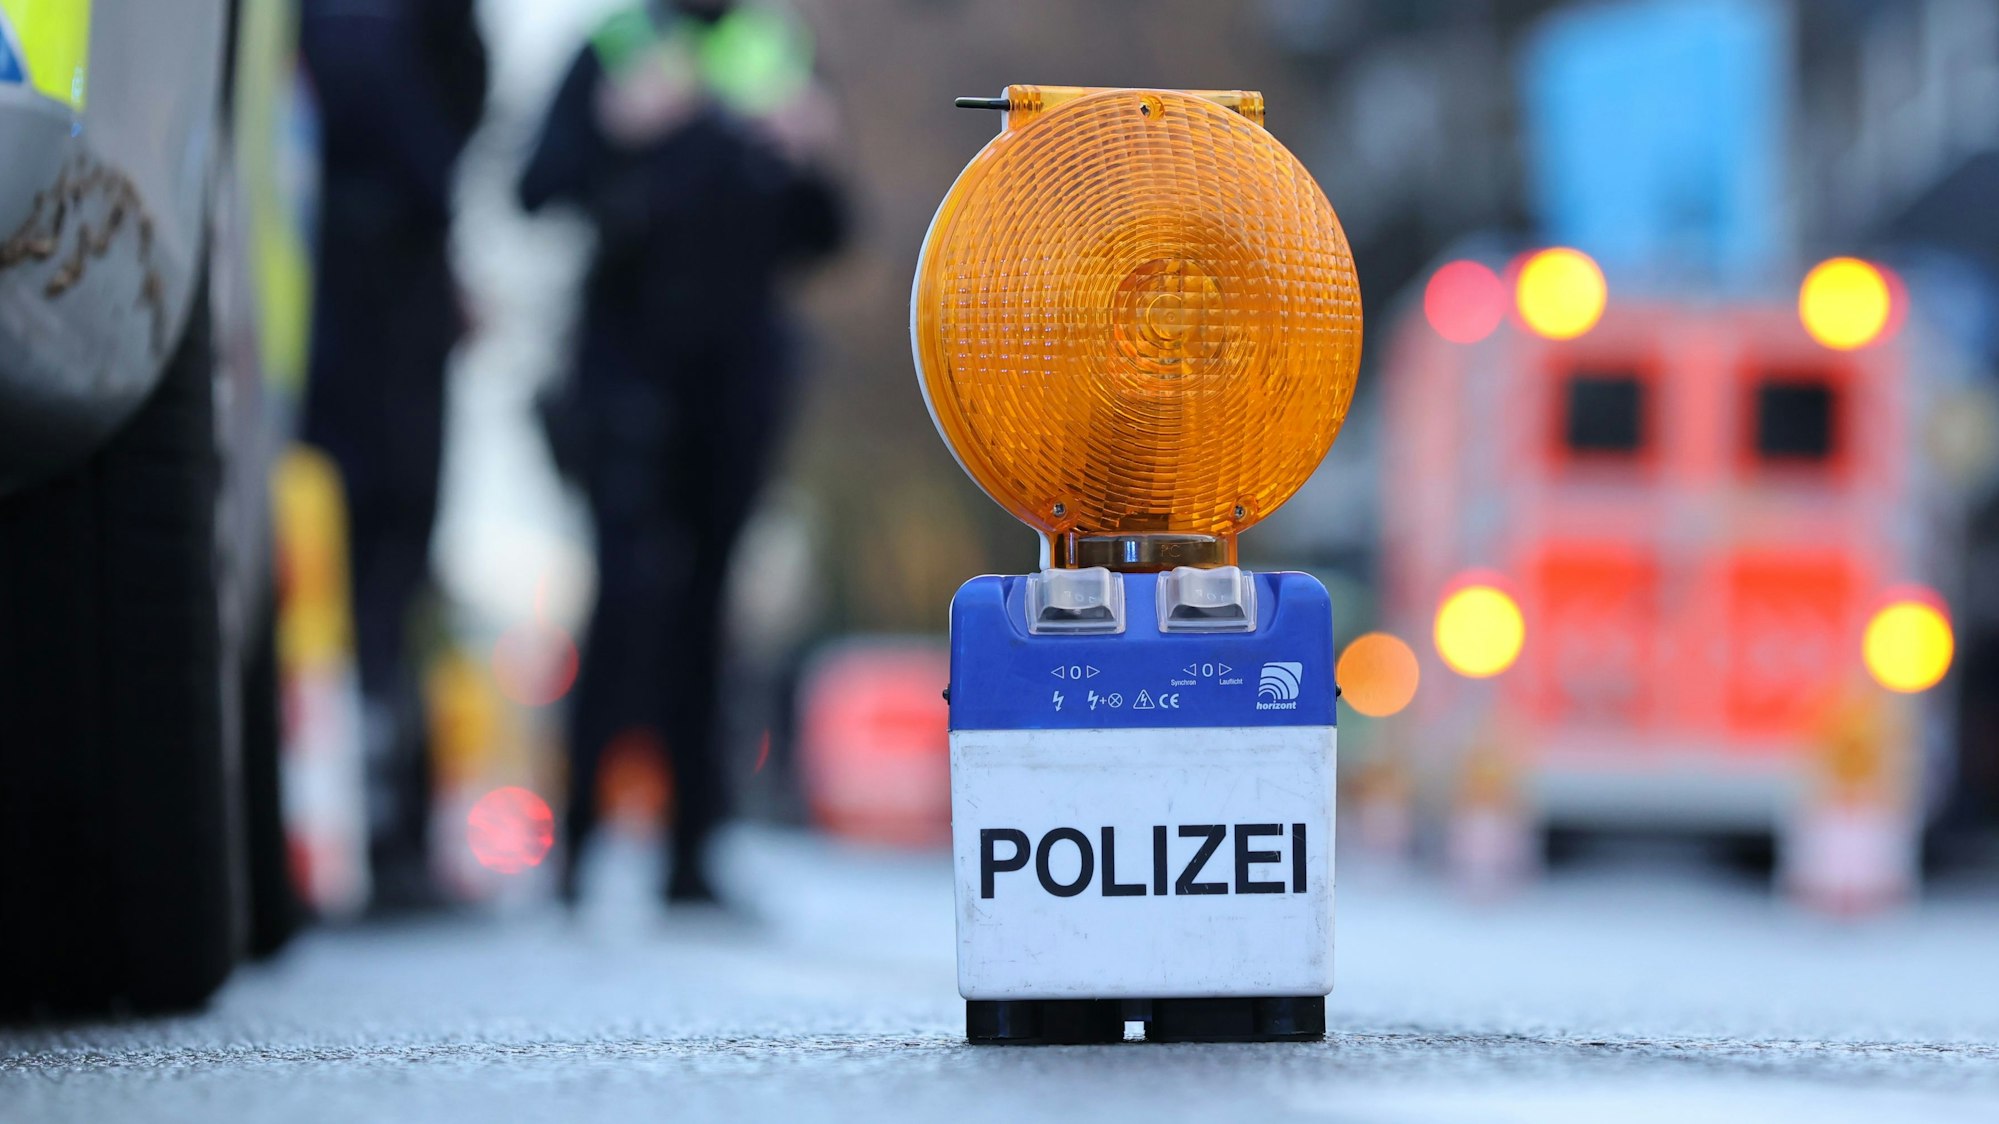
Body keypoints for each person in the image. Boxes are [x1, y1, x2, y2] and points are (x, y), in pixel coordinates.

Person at [519, 0, 846, 907]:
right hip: (626, 375)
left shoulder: (777, 55)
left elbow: (826, 233)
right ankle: (577, 843)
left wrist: (808, 155)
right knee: (626, 600)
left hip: (737, 382)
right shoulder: (614, 51)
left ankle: (691, 855)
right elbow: (536, 187)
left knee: (709, 607)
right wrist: (617, 133)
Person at [300, 0, 488, 910]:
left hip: (367, 292)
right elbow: (398, 104)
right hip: (367, 308)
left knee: (375, 580)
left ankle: (379, 827)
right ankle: (375, 833)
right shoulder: (371, 27)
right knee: (369, 574)